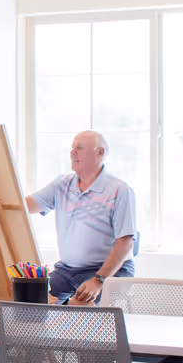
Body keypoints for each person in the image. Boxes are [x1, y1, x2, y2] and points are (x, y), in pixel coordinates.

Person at [24, 130, 138, 304]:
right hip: (67, 270)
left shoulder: (119, 190)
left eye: (80, 148)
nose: (72, 152)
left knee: (80, 308)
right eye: (72, 148)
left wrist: (99, 280)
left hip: (109, 271)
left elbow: (125, 243)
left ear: (100, 153)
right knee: (32, 298)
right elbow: (25, 205)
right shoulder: (62, 184)